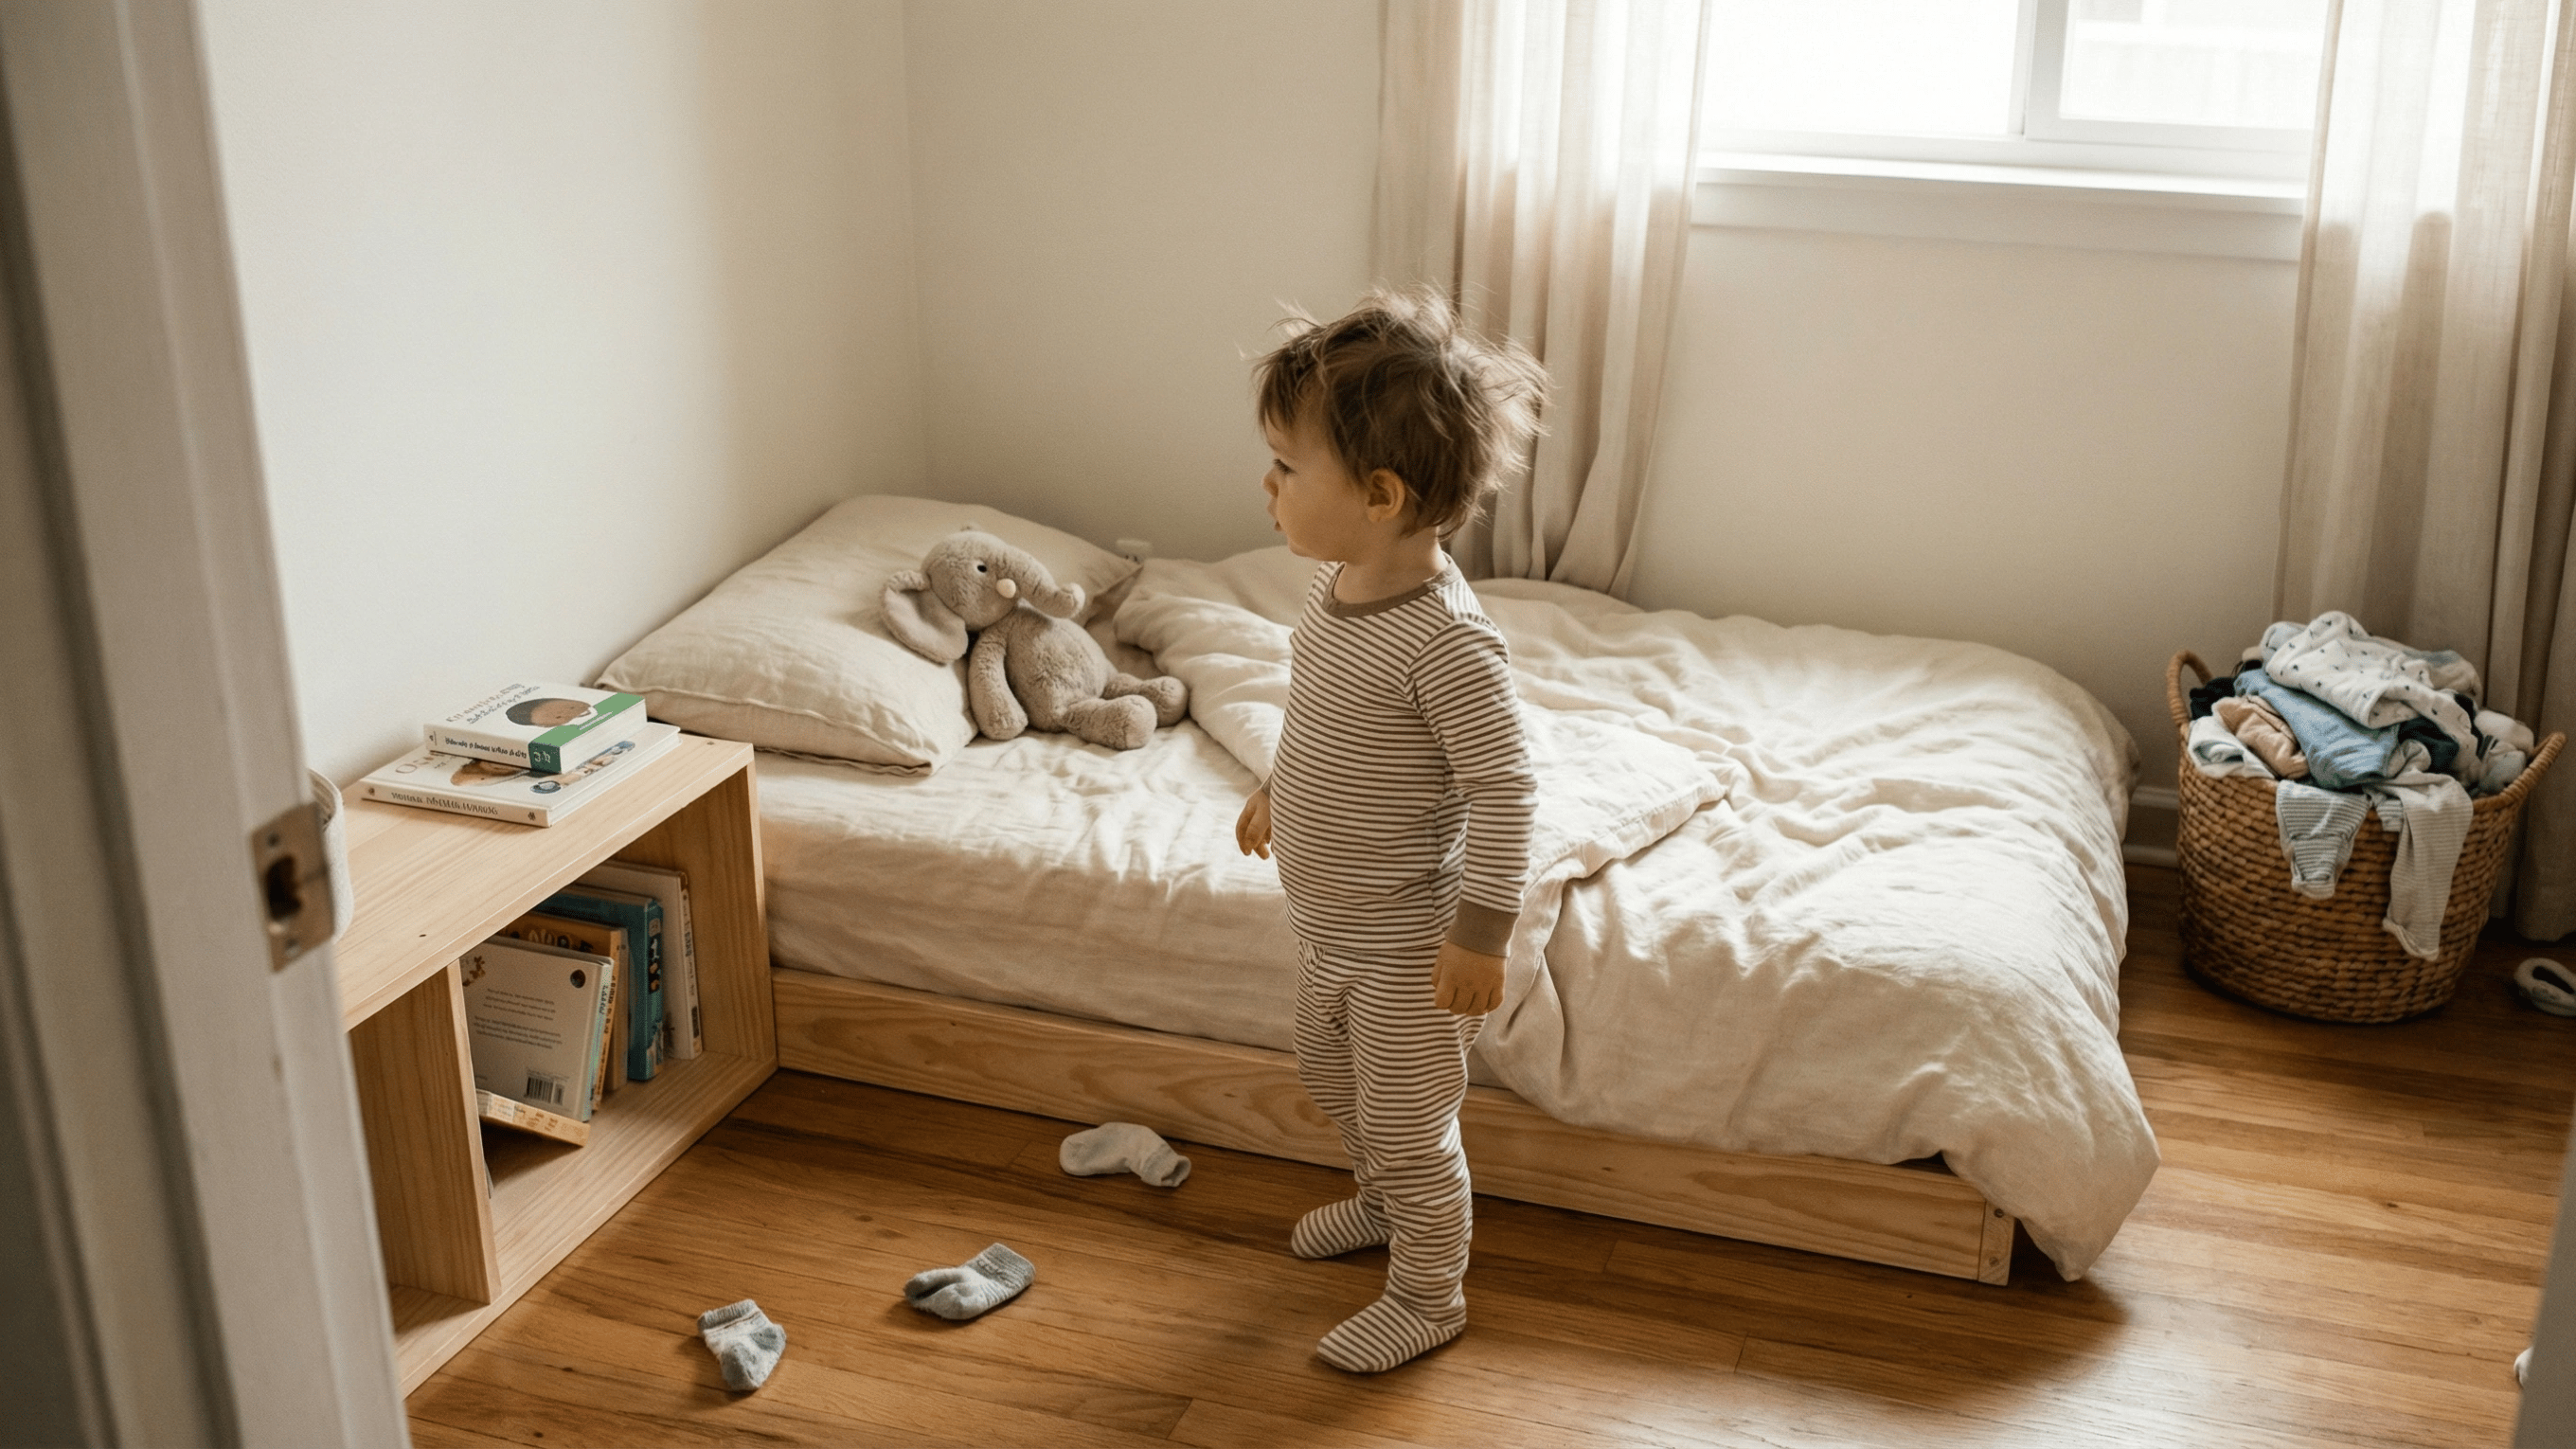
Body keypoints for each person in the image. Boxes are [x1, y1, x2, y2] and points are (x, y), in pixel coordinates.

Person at [1235, 286, 1545, 1372]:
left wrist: (1480, 936)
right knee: (1329, 1079)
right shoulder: (1333, 594)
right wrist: (1280, 786)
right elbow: (1319, 714)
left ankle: (1427, 1293)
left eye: (1284, 467)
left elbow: (1506, 792)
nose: (1263, 486)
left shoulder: (1447, 646)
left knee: (1415, 1127)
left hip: (1409, 952)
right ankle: (1377, 1203)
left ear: (1376, 494)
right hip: (1325, 926)